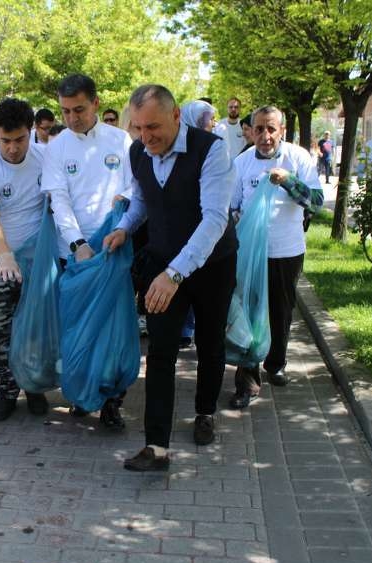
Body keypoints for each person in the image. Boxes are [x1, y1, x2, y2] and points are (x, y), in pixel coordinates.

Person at [102, 84, 237, 471]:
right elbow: (143, 199)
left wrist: (175, 274)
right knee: (161, 351)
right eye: (139, 128)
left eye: (154, 127)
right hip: (163, 262)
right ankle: (156, 446)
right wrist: (126, 227)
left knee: (211, 341)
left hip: (212, 263)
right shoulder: (138, 151)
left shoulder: (211, 150)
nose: (146, 137)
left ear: (176, 115)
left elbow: (215, 217)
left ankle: (205, 412)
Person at [42, 73, 134, 429]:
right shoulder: (57, 148)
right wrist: (78, 244)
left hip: (115, 248)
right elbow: (58, 200)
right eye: (65, 111)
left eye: (78, 109)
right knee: (78, 327)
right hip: (76, 255)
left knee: (113, 328)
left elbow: (133, 187)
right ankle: (81, 390)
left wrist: (121, 224)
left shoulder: (121, 140)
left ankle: (112, 399)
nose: (71, 118)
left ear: (95, 103)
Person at [228, 105, 323, 409]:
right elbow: (230, 207)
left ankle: (276, 364)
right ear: (250, 130)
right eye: (259, 129)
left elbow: (317, 202)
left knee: (281, 310)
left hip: (286, 250)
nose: (265, 136)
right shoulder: (241, 163)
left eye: (271, 129)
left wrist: (289, 181)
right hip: (249, 254)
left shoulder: (298, 158)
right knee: (249, 311)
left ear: (281, 130)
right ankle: (247, 381)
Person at [0, 98, 49, 421]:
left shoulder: (45, 158)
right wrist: (4, 256)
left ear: (31, 132)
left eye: (20, 139)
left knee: (34, 328)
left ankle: (34, 386)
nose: (13, 148)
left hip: (36, 263)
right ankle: (6, 388)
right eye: (5, 141)